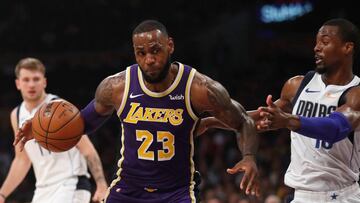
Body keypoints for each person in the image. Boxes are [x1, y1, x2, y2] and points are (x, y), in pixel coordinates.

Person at [16, 20, 260, 202]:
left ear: (170, 45)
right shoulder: (116, 87)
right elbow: (82, 124)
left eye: (155, 50)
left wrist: (248, 156)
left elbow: (243, 121)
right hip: (128, 187)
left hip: (176, 191)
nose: (149, 60)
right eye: (141, 53)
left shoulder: (199, 88)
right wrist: (38, 129)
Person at [256, 18, 360, 202]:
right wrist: (210, 120)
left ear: (347, 47)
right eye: (316, 43)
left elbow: (335, 128)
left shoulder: (356, 93)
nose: (316, 48)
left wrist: (288, 120)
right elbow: (260, 117)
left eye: (325, 42)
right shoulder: (297, 85)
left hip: (341, 195)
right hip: (301, 195)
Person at [0, 58, 108, 203]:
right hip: (42, 189)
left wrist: (101, 185)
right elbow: (22, 160)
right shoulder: (17, 114)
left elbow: (88, 150)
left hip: (71, 184)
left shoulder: (60, 108)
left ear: (44, 82)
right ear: (18, 83)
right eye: (26, 79)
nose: (31, 84)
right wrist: (2, 194)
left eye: (36, 79)